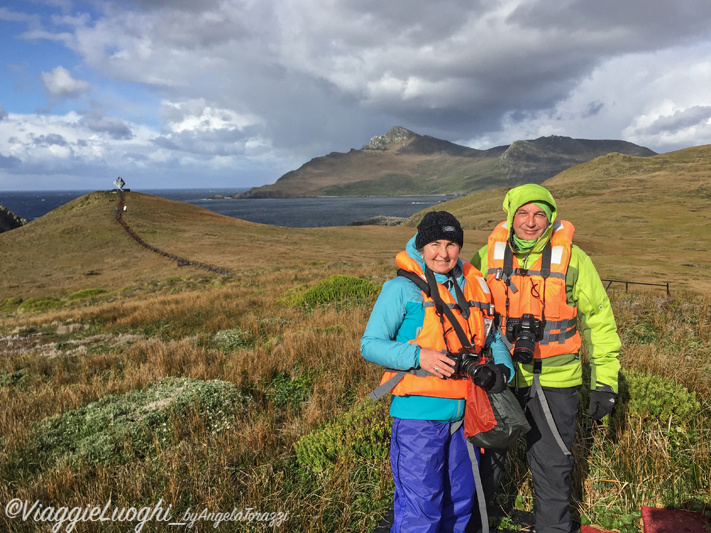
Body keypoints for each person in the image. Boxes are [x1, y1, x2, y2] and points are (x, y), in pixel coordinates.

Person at [468, 184, 621, 533]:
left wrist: (605, 381)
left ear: (551, 218)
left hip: (556, 381)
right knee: (484, 455)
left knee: (553, 465)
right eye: (523, 213)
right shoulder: (484, 258)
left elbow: (599, 321)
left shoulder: (573, 259)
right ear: (511, 216)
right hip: (499, 377)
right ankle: (474, 524)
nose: (531, 222)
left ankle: (552, 528)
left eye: (539, 214)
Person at [361, 211, 514, 533]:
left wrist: (503, 367)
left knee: (459, 503)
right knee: (421, 507)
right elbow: (370, 345)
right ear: (421, 246)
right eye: (434, 244)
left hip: (468, 416)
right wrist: (419, 355)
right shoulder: (400, 288)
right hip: (420, 417)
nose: (443, 253)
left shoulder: (474, 285)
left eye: (451, 244)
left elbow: (493, 335)